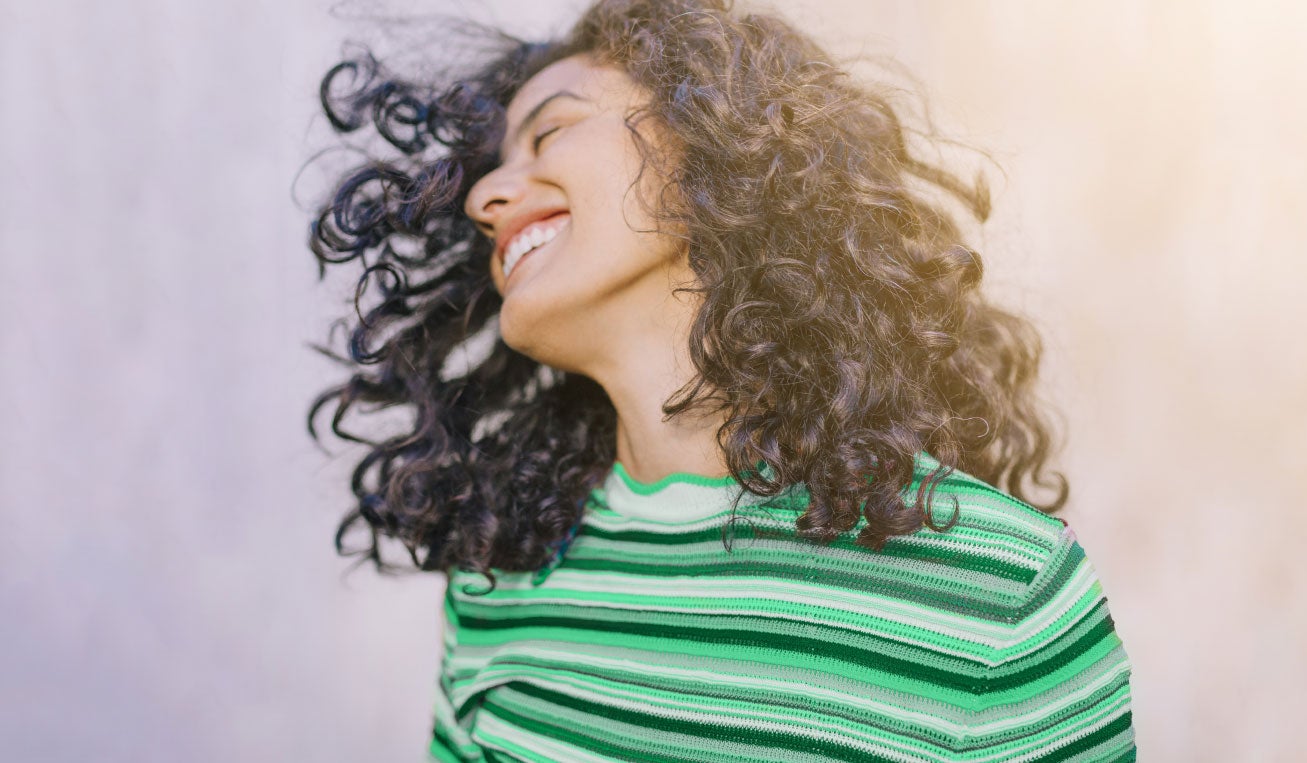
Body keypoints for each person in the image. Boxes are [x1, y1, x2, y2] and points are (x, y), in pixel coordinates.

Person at [306, 0, 1136, 760]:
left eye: (549, 133)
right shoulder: (501, 583)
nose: (485, 194)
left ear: (710, 145)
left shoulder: (1000, 590)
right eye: (491, 170)